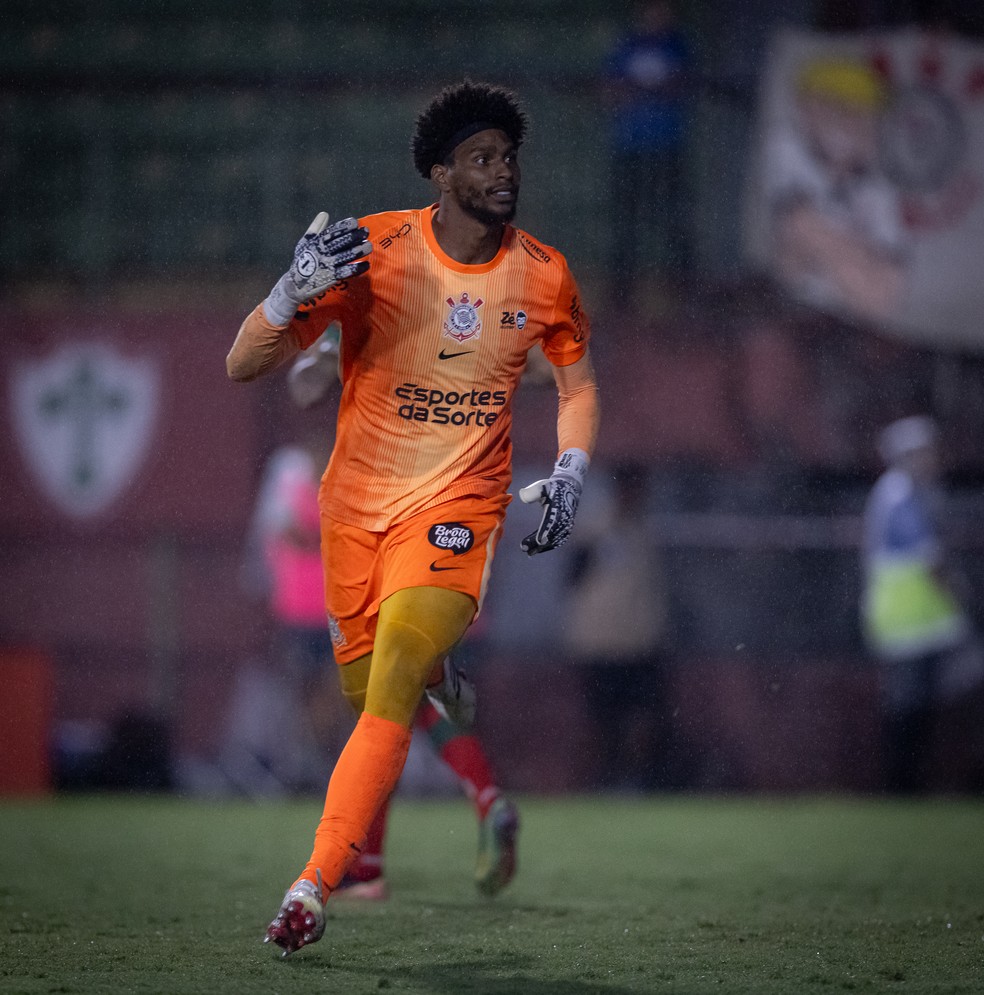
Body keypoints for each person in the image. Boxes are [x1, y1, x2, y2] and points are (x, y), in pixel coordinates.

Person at [226, 80, 600, 956]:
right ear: (440, 173)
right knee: (369, 697)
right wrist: (289, 295)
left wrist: (574, 467)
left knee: (393, 671)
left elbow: (576, 378)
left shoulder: (543, 273)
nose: (502, 172)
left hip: (458, 511)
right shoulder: (376, 252)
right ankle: (444, 696)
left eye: (509, 157)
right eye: (481, 159)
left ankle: (313, 884)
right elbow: (245, 363)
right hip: (355, 517)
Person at [281, 331, 521, 901]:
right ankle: (466, 809)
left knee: (383, 711)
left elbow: (304, 388)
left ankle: (383, 856)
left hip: (407, 569)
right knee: (394, 711)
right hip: (445, 572)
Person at [861, 415, 981, 792]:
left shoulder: (906, 491)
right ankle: (902, 786)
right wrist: (963, 597)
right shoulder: (900, 494)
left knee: (919, 705)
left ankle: (908, 785)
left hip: (922, 620)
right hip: (911, 620)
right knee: (910, 707)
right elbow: (928, 559)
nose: (933, 459)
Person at [563, 460, 672, 791]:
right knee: (605, 721)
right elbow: (572, 579)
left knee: (642, 718)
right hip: (600, 643)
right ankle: (610, 779)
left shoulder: (650, 531)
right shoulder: (596, 528)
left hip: (640, 642)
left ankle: (633, 780)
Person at [605, 0, 692, 286]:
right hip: (630, 147)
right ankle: (622, 286)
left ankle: (683, 284)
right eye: (652, 11)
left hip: (667, 146)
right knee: (625, 220)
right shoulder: (626, 46)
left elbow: (683, 85)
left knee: (674, 219)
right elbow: (608, 89)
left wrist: (655, 89)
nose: (657, 17)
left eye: (663, 11)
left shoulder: (678, 47)